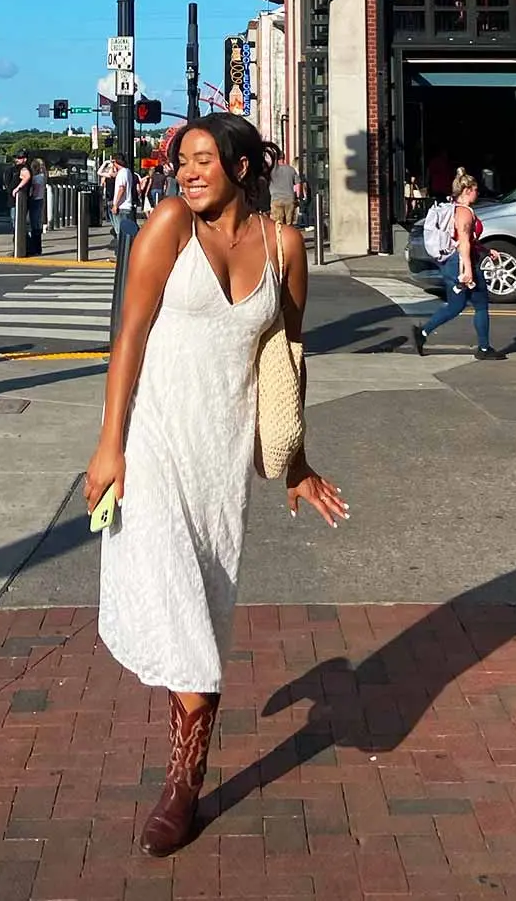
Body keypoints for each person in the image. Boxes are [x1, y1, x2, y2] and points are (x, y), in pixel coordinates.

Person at [86, 114, 347, 858]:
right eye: (181, 161)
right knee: (184, 609)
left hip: (221, 452)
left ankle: (185, 757)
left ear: (240, 165)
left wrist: (293, 461)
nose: (186, 172)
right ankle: (183, 783)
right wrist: (110, 444)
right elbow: (128, 335)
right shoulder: (168, 224)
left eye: (202, 159)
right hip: (158, 441)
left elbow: (285, 355)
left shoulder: (282, 246)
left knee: (206, 596)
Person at [413, 168, 506, 361]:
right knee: (480, 305)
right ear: (467, 190)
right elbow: (463, 240)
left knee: (455, 306)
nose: (477, 193)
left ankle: (422, 333)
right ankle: (483, 348)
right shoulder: (464, 212)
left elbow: (466, 239)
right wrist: (468, 271)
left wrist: (486, 251)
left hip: (451, 263)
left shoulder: (454, 208)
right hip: (461, 262)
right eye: (476, 189)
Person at [12, 153, 46, 258]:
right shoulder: (43, 176)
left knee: (33, 223)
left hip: (35, 201)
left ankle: (33, 247)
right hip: (40, 200)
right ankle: (36, 248)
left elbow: (34, 192)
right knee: (36, 223)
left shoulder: (37, 178)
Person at [110, 151, 138, 251]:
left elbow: (121, 188)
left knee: (119, 232)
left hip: (122, 206)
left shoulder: (121, 174)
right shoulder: (128, 172)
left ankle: (120, 254)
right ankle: (126, 252)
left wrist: (115, 205)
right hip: (127, 206)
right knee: (126, 233)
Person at [269, 154, 301, 227]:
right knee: (289, 224)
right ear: (284, 158)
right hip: (289, 199)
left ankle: (281, 238)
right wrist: (297, 196)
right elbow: (298, 183)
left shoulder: (272, 171)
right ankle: (289, 237)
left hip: (276, 199)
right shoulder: (291, 169)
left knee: (278, 224)